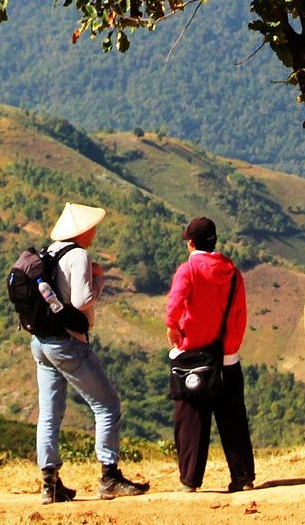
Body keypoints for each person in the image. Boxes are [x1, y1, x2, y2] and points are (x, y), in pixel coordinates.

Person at [29, 201, 150, 503]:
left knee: (49, 413)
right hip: (68, 342)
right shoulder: (79, 255)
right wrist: (99, 280)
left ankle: (50, 484)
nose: (94, 231)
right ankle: (109, 478)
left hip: (41, 341)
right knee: (107, 406)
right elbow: (82, 301)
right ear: (82, 231)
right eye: (91, 227)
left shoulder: (50, 251)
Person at [165, 215, 255, 493]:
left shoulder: (188, 270)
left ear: (191, 243)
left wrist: (174, 330)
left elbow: (174, 305)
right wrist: (231, 347)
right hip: (226, 357)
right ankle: (243, 478)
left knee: (191, 422)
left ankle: (190, 481)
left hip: (193, 359)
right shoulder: (233, 273)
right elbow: (240, 314)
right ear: (214, 241)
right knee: (233, 421)